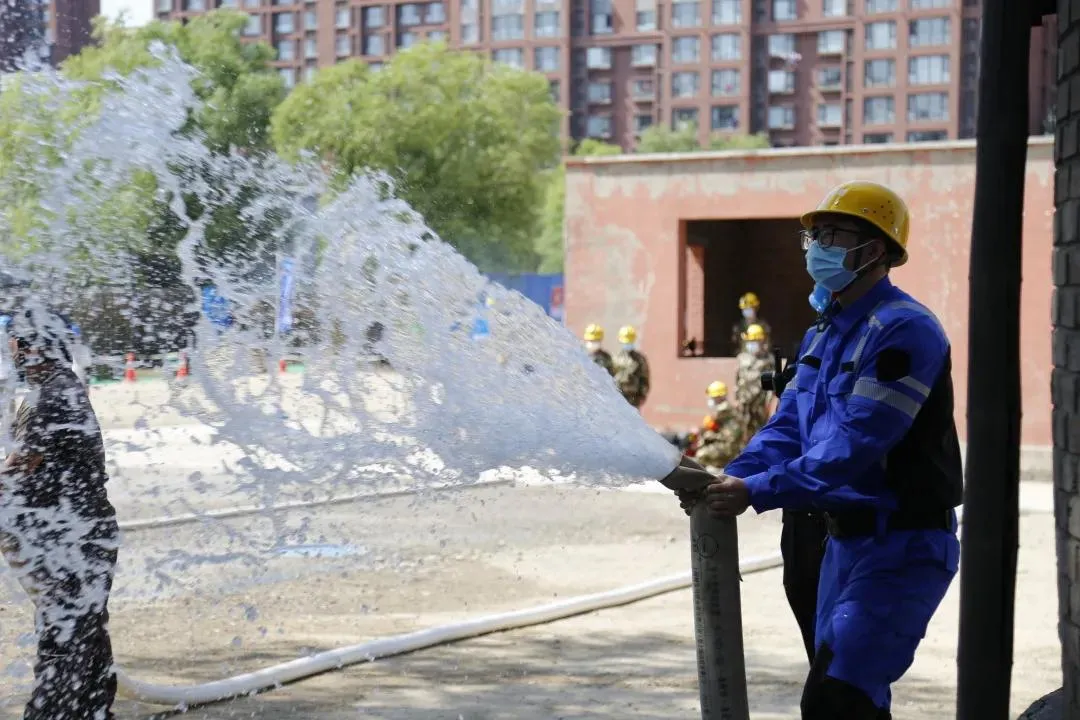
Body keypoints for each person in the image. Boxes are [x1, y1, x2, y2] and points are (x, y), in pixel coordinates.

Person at [675, 181, 963, 718]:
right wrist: (728, 477)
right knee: (851, 697)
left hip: (901, 546)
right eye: (814, 235)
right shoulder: (822, 334)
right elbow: (787, 428)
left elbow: (860, 441)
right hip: (841, 544)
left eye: (832, 235)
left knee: (839, 696)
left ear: (874, 250)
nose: (816, 247)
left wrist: (758, 491)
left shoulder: (904, 330)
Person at [0, 307, 119, 720]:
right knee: (85, 635)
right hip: (84, 533)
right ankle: (94, 712)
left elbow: (19, 466)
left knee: (62, 638)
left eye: (12, 341)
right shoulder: (61, 385)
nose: (9, 350)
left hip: (73, 538)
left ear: (28, 347)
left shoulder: (49, 394)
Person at [734, 323, 774, 442]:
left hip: (759, 404)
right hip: (744, 403)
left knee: (759, 434)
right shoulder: (742, 358)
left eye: (756, 341)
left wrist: (769, 404)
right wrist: (736, 398)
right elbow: (737, 379)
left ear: (762, 342)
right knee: (743, 434)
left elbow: (771, 386)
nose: (753, 344)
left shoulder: (768, 360)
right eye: (750, 341)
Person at [694, 381, 743, 471]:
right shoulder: (726, 409)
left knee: (701, 454)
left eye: (713, 397)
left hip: (728, 448)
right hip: (729, 445)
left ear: (720, 397)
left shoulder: (723, 409)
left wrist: (707, 435)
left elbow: (709, 427)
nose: (710, 399)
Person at [612, 325, 650, 409]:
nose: (627, 344)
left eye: (629, 342)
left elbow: (645, 378)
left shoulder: (639, 359)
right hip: (618, 397)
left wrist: (642, 396)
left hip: (633, 398)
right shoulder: (616, 358)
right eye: (625, 342)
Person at [731, 291, 771, 355]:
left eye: (749, 308)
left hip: (760, 357)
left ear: (756, 308)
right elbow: (735, 346)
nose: (746, 311)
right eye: (744, 308)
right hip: (744, 358)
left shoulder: (763, 325)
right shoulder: (738, 327)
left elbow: (768, 345)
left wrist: (762, 352)